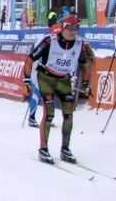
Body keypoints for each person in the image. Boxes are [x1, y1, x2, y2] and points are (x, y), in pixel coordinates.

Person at [23, 15, 91, 164]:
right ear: (62, 27)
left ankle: (65, 149)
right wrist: (27, 81)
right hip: (46, 78)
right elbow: (30, 59)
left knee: (69, 115)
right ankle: (43, 149)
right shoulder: (49, 41)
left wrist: (86, 84)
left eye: (76, 28)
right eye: (69, 28)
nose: (73, 32)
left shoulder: (80, 43)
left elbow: (85, 64)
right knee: (49, 114)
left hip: (64, 81)